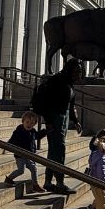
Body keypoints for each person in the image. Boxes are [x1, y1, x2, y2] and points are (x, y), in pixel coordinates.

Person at [40, 59, 83, 195]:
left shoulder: (69, 83)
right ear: (70, 69)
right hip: (54, 119)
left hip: (63, 119)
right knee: (59, 151)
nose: (79, 73)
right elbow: (47, 102)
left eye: (80, 71)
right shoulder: (58, 80)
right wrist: (48, 122)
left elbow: (70, 105)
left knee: (54, 151)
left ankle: (48, 182)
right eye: (76, 70)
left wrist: (75, 121)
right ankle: (59, 183)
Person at [4, 111, 48, 192]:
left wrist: (45, 131)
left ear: (34, 124)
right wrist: (10, 146)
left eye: (31, 123)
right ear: (23, 121)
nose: (29, 124)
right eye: (27, 122)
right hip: (20, 155)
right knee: (21, 170)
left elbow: (37, 136)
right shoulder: (18, 131)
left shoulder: (32, 131)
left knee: (33, 169)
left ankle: (35, 185)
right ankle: (9, 178)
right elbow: (12, 141)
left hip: (30, 155)